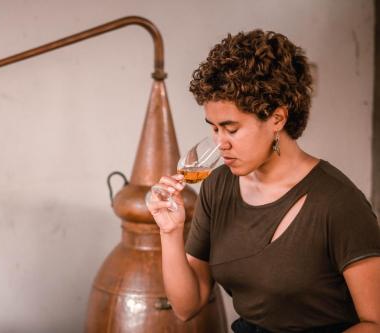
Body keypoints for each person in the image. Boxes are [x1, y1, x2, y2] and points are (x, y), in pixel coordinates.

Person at [146, 30, 380, 333]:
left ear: (277, 119)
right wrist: (170, 232)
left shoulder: (338, 203)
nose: (220, 144)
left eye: (231, 129)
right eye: (214, 129)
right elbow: (186, 307)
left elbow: (375, 323)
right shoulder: (218, 187)